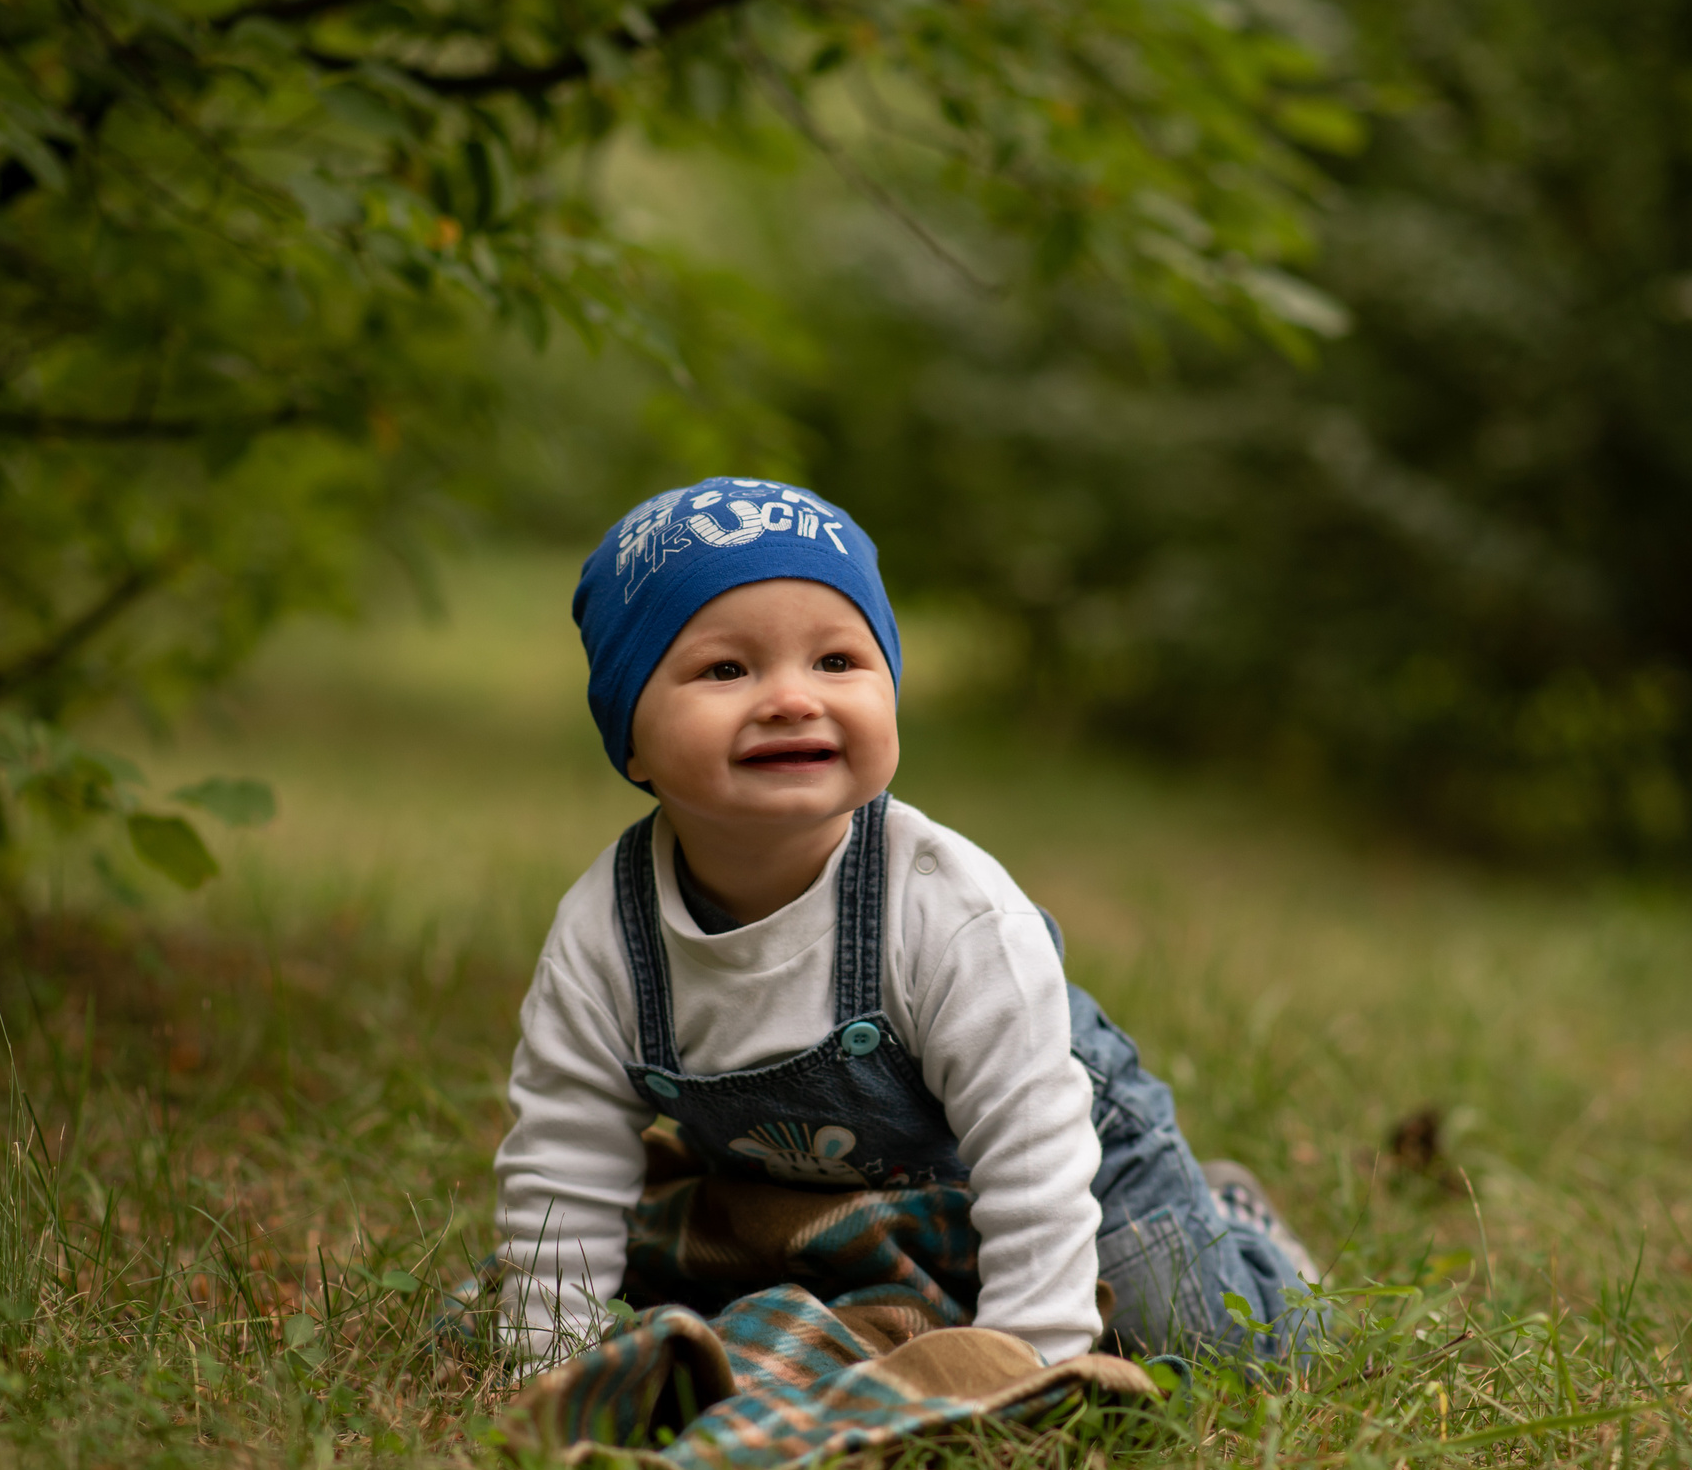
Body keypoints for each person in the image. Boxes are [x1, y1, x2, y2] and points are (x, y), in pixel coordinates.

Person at [476, 477, 1317, 1372]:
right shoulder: (607, 933)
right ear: (631, 736)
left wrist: (1032, 1363)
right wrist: (544, 1352)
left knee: (1210, 1339)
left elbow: (1031, 1143)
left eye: (837, 661)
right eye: (727, 669)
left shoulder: (944, 905)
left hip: (1064, 1153)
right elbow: (565, 1156)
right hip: (838, 1195)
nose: (792, 699)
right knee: (733, 1300)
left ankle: (1245, 1235)